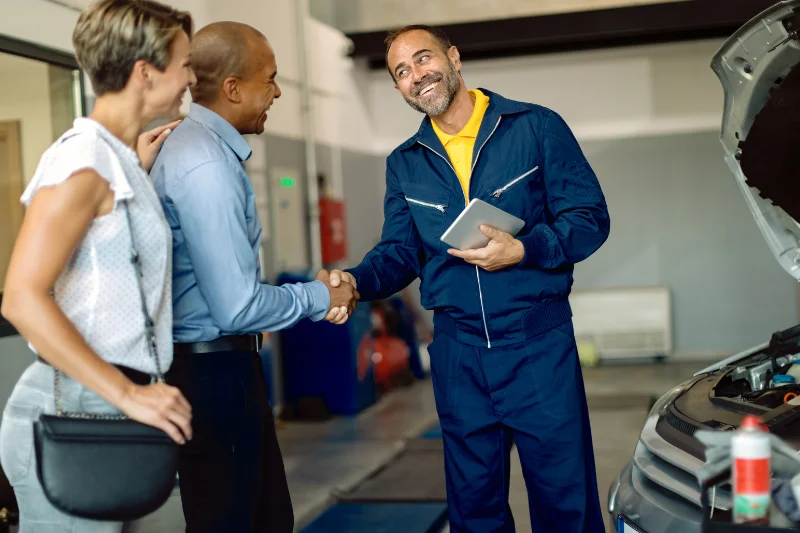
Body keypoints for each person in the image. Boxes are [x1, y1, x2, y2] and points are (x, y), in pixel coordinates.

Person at [330, 25, 610, 532]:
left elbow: (589, 219)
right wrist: (355, 282)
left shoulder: (534, 127)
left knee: (564, 502)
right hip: (459, 356)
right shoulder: (405, 163)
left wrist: (525, 249)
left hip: (537, 345)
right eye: (402, 71)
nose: (417, 75)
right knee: (473, 510)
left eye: (423, 59)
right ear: (397, 88)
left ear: (453, 58)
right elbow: (399, 251)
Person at [150, 21, 357, 533]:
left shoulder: (201, 151)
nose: (278, 91)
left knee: (265, 520)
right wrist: (319, 294)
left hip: (220, 370)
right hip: (213, 376)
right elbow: (236, 307)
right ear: (233, 88)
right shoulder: (204, 163)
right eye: (270, 79)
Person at [0, 1, 197, 531]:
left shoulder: (115, 160)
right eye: (184, 63)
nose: (191, 78)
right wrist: (128, 393)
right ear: (145, 72)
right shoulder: (85, 161)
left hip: (111, 402)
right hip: (78, 410)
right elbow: (21, 297)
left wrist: (134, 165)